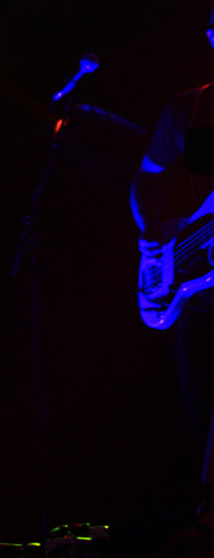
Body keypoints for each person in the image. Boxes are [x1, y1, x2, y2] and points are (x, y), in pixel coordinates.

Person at [130, 27, 214, 541]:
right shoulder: (192, 108)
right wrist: (152, 237)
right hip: (197, 290)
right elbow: (146, 177)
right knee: (198, 417)